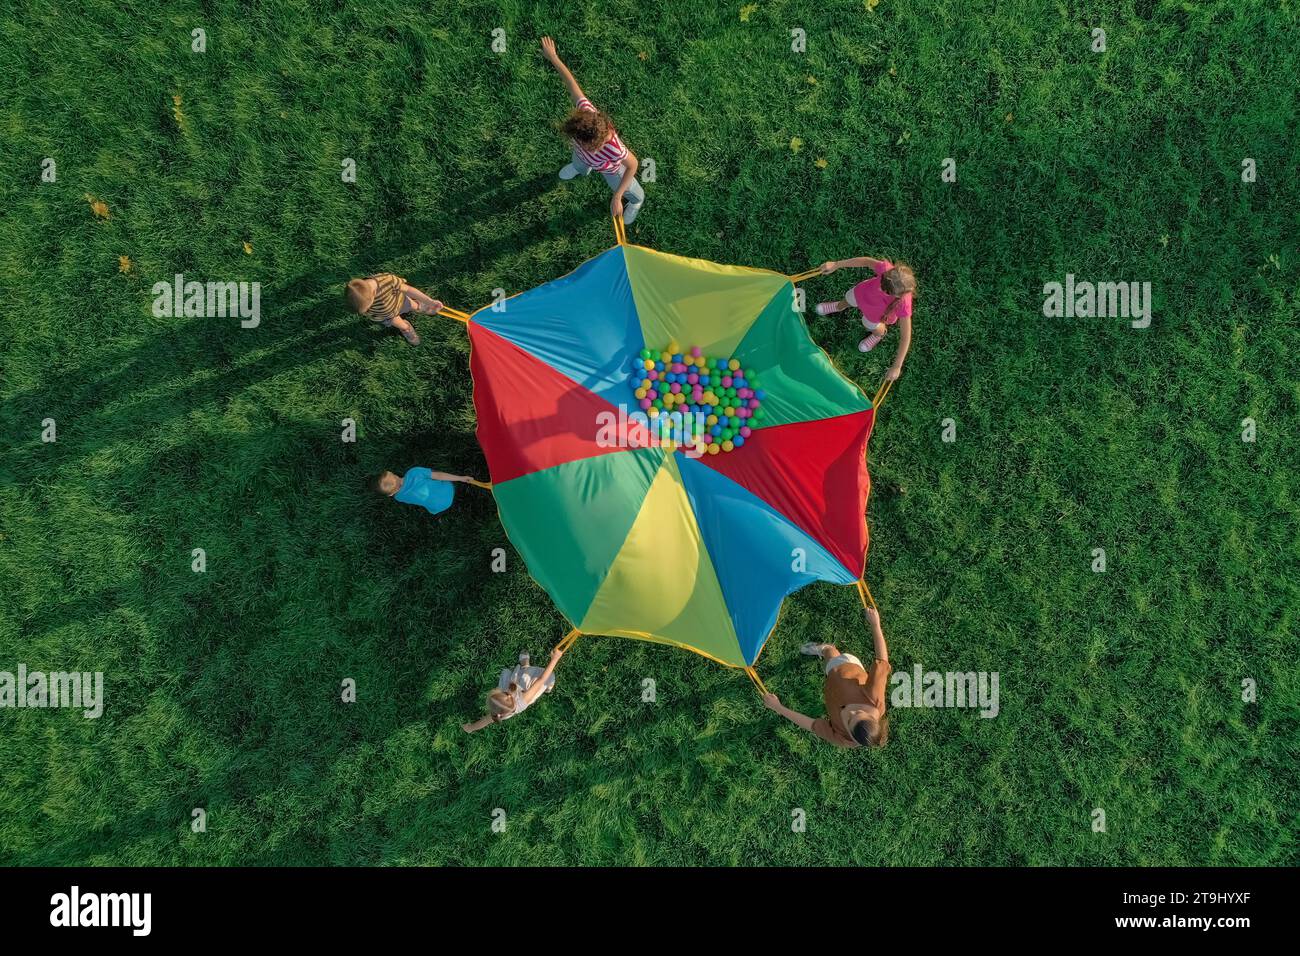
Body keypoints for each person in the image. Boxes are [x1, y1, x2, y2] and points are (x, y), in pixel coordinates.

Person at [540, 36, 645, 225]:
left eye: (589, 146)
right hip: (585, 159)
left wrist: (617, 196)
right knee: (579, 161)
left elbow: (633, 165)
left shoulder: (613, 147)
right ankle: (580, 168)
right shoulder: (586, 113)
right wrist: (553, 58)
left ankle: (636, 202)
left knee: (632, 190)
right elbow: (572, 84)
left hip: (610, 170)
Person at [762, 607, 891, 748]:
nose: (851, 711)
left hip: (832, 686)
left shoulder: (843, 739)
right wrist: (875, 624)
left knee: (827, 670)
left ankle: (826, 655)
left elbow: (811, 725)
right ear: (872, 717)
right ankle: (825, 649)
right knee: (831, 655)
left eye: (849, 720)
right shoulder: (874, 698)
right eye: (859, 712)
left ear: (852, 736)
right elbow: (882, 661)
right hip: (844, 667)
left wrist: (778, 707)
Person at [815, 257, 916, 379]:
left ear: (896, 295)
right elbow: (865, 262)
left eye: (885, 291)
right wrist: (836, 264)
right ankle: (838, 306)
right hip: (860, 293)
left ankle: (878, 334)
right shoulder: (886, 269)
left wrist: (897, 366)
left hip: (876, 315)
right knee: (848, 299)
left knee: (869, 325)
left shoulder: (903, 304)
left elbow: (905, 337)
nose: (880, 288)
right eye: (882, 281)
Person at [462, 645, 566, 732]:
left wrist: (470, 728)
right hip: (526, 690)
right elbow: (541, 680)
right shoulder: (523, 700)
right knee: (547, 677)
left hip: (515, 687)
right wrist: (555, 659)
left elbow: (484, 721)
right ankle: (540, 680)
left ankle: (524, 666)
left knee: (511, 675)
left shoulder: (498, 714)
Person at [346, 273, 443, 346]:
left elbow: (408, 290)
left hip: (400, 302)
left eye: (367, 308)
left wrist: (429, 301)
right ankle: (406, 329)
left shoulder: (387, 281)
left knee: (413, 305)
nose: (367, 311)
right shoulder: (358, 298)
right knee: (401, 325)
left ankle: (420, 306)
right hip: (385, 316)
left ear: (372, 296)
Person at [375, 467, 485, 516]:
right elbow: (439, 475)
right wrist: (461, 478)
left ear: (390, 494)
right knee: (436, 479)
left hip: (439, 507)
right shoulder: (414, 472)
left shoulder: (398, 498)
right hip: (449, 489)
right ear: (394, 474)